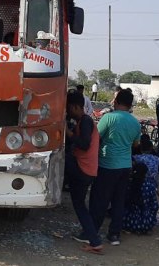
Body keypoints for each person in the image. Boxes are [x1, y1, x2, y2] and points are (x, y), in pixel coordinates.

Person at [87, 89, 141, 246]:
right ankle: (114, 234)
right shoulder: (135, 122)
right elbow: (136, 144)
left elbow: (95, 137)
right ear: (130, 104)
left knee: (100, 200)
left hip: (108, 164)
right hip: (125, 165)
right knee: (119, 200)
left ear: (117, 101)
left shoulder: (108, 118)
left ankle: (92, 232)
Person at [65, 91, 103, 254]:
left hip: (83, 168)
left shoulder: (86, 121)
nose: (68, 112)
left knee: (61, 160)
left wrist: (69, 133)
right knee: (79, 205)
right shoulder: (82, 121)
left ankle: (95, 240)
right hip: (86, 169)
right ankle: (93, 239)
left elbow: (85, 144)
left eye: (69, 109)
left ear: (75, 107)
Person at [123, 135, 159, 235]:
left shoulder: (136, 158)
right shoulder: (157, 159)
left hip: (129, 222)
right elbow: (155, 206)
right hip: (146, 223)